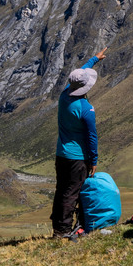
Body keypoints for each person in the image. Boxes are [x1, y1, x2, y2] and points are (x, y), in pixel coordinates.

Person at [51, 46, 107, 238]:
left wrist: (94, 59)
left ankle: (58, 226)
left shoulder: (65, 95)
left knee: (61, 190)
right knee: (72, 193)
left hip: (61, 154)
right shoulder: (85, 109)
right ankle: (64, 231)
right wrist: (93, 160)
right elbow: (92, 137)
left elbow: (78, 75)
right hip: (78, 158)